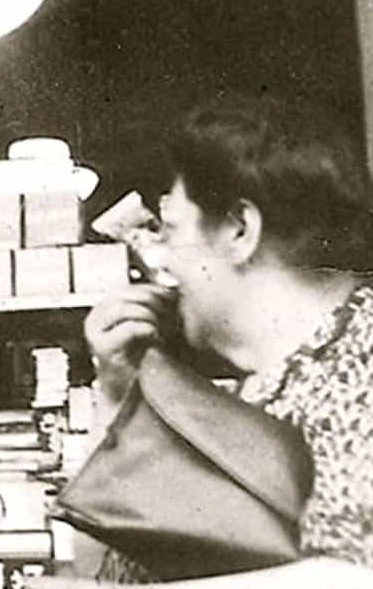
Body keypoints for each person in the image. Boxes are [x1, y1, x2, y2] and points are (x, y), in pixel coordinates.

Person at [37, 93, 373, 588]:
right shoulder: (247, 393)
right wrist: (116, 394)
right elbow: (100, 568)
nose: (163, 264)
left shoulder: (361, 363)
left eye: (171, 233)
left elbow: (354, 576)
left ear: (239, 229)